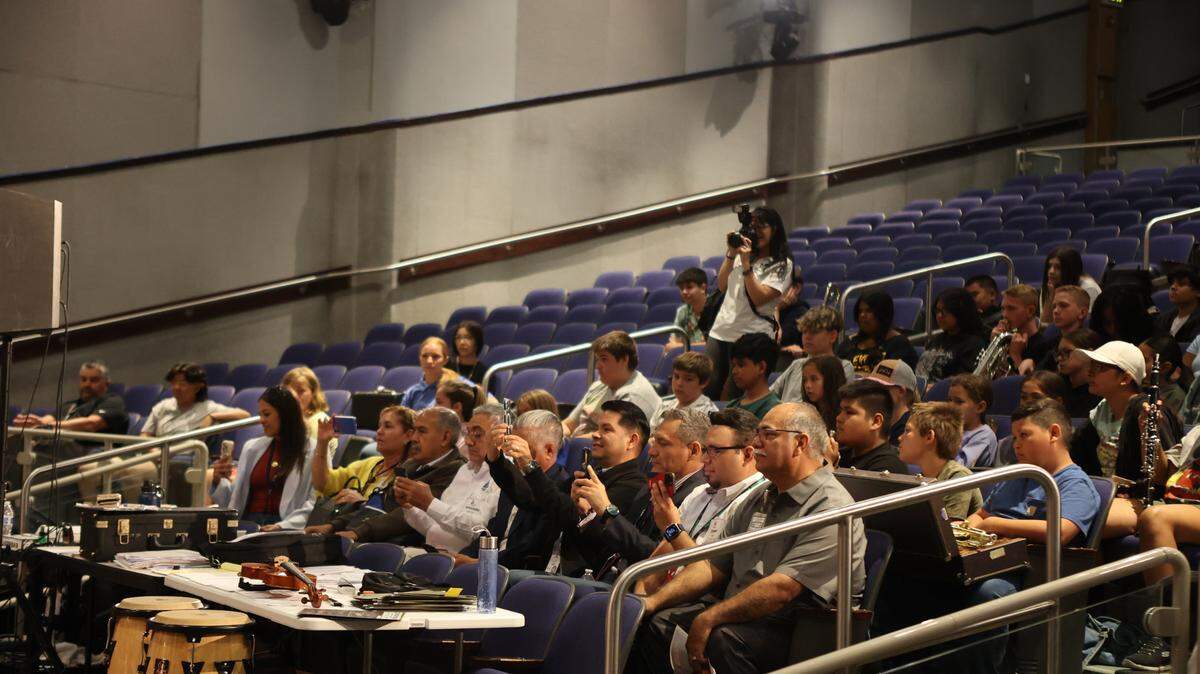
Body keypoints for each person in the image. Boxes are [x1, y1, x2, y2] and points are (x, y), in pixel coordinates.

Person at [627, 402, 866, 674]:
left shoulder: (832, 506)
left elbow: (782, 589)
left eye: (768, 434)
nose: (756, 442)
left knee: (723, 638)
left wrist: (709, 618)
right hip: (743, 615)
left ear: (799, 444)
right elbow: (709, 566)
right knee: (655, 623)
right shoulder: (761, 496)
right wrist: (651, 603)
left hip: (800, 630)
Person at [959, 398, 1101, 672]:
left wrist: (995, 525)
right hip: (988, 560)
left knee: (990, 593)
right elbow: (983, 515)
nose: (1016, 445)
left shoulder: (1075, 484)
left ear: (1054, 433)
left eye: (1024, 435)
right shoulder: (1019, 475)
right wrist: (967, 527)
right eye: (1014, 437)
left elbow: (1060, 532)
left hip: (1032, 574)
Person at [637, 408, 766, 595]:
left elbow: (707, 576)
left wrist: (672, 528)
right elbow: (651, 570)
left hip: (698, 604)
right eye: (706, 450)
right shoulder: (699, 492)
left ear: (747, 454)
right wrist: (638, 602)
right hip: (661, 601)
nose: (704, 459)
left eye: (715, 451)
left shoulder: (756, 502)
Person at [570, 408, 710, 577]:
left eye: (663, 443)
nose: (651, 452)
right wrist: (590, 511)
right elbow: (618, 543)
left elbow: (657, 558)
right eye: (654, 442)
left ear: (693, 450)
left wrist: (607, 510)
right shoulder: (654, 483)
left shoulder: (700, 496)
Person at [521, 400, 650, 576]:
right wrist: (496, 461)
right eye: (597, 428)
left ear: (632, 440)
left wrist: (530, 466)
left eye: (606, 429)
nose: (596, 434)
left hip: (583, 579)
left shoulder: (634, 485)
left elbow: (588, 534)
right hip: (546, 567)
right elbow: (537, 501)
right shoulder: (591, 473)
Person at [1070, 341, 1183, 538]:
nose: (1090, 373)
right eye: (1091, 367)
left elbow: (1162, 478)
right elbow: (1076, 457)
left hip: (1142, 500)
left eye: (1100, 368)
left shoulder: (1149, 411)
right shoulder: (1101, 411)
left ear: (1125, 378)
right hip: (1107, 494)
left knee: (1084, 522)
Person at [119, 363, 250, 500]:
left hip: (186, 459)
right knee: (129, 470)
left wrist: (213, 416)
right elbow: (145, 434)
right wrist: (155, 452)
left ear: (198, 387)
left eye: (182, 383)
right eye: (174, 383)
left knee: (177, 468)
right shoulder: (163, 406)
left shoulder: (208, 407)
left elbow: (245, 415)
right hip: (157, 457)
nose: (176, 388)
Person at [338, 407, 466, 544]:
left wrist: (357, 533)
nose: (414, 438)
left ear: (445, 438)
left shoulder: (456, 470)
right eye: (415, 430)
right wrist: (334, 525)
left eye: (422, 431)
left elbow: (404, 516)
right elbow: (380, 506)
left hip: (405, 548)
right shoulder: (410, 464)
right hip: (374, 539)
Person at [705, 207, 793, 400]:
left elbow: (759, 298)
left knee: (733, 398)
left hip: (751, 336)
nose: (756, 232)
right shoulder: (740, 254)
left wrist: (746, 265)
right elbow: (721, 285)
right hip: (721, 330)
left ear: (775, 229)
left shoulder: (782, 264)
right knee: (706, 390)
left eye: (762, 227)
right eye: (752, 227)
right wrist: (731, 253)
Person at [392, 408, 500, 555]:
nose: (468, 441)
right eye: (468, 433)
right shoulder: (465, 470)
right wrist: (410, 507)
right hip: (432, 553)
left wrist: (430, 503)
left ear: (500, 437)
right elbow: (435, 526)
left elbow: (481, 532)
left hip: (464, 561)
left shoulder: (503, 479)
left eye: (478, 434)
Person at [210, 386, 318, 530]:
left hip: (286, 527)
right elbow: (234, 500)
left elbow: (315, 502)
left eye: (266, 414)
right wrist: (219, 480)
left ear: (285, 414)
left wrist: (281, 526)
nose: (261, 420)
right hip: (247, 525)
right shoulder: (251, 448)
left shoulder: (314, 449)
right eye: (260, 414)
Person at [477, 408, 570, 570]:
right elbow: (493, 531)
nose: (515, 457)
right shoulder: (514, 478)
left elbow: (530, 548)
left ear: (549, 450)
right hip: (491, 563)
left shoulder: (561, 490)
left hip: (519, 574)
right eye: (513, 449)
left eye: (522, 450)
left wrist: (481, 563)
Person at [304, 406, 416, 535]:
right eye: (379, 426)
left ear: (408, 435)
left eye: (388, 426)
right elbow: (322, 484)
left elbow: (396, 518)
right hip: (339, 531)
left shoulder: (411, 474)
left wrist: (361, 503)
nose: (379, 431)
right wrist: (322, 443)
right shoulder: (369, 463)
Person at [11, 361, 129, 462]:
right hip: (63, 453)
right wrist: (34, 423)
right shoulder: (70, 405)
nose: (87, 384)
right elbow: (48, 420)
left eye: (94, 380)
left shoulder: (113, 401)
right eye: (84, 379)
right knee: (16, 443)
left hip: (93, 453)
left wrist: (47, 426)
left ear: (106, 384)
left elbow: (90, 424)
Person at [562, 331, 661, 437]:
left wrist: (570, 443)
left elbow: (611, 438)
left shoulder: (634, 395)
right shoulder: (599, 386)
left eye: (604, 359)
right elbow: (569, 424)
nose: (598, 366)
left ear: (624, 360)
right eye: (598, 360)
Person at [897, 402, 982, 519]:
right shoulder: (921, 479)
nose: (900, 437)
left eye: (907, 431)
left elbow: (948, 532)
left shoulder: (958, 477)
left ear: (929, 437)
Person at [769, 306, 855, 402]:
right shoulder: (796, 364)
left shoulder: (844, 367)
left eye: (814, 331)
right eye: (804, 331)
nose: (807, 337)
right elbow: (769, 396)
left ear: (832, 336)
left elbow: (837, 405)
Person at [994, 371, 1068, 467]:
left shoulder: (1068, 443)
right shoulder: (1006, 445)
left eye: (1036, 397)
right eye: (1024, 397)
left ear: (1058, 402)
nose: (1028, 403)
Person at [915, 288, 987, 388]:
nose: (939, 316)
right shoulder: (937, 340)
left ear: (960, 313)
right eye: (937, 311)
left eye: (944, 312)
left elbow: (962, 383)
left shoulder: (973, 344)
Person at [835, 380, 909, 474]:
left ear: (876, 421)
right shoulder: (841, 454)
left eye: (849, 412)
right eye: (841, 411)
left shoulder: (888, 467)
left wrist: (830, 466)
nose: (839, 418)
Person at [837, 291, 918, 374]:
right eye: (860, 311)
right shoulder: (850, 343)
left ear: (882, 314)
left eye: (868, 311)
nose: (862, 315)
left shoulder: (899, 344)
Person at [994, 284, 1055, 376]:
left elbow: (1029, 386)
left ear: (1030, 311)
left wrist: (1015, 355)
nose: (1004, 315)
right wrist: (994, 344)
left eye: (1011, 308)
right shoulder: (1005, 340)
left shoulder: (1044, 346)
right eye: (1003, 309)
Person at [650, 351, 719, 429]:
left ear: (704, 383)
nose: (679, 383)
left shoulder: (708, 414)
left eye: (688, 379)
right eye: (676, 376)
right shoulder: (665, 405)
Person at [862, 359, 920, 448]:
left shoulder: (909, 430)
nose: (871, 392)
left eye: (880, 387)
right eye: (871, 385)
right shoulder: (875, 420)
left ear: (901, 391)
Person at [725, 333, 782, 420]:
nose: (734, 371)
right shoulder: (731, 406)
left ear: (761, 367)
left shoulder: (774, 410)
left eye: (741, 365)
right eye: (734, 365)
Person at [947, 373, 998, 468]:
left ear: (980, 407)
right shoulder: (950, 429)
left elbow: (959, 469)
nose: (950, 406)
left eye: (959, 402)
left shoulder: (984, 435)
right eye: (949, 400)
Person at [1033, 286, 1090, 369]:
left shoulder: (1089, 346)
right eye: (1054, 306)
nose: (1055, 311)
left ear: (1082, 313)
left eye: (1063, 305)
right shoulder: (1050, 344)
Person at [401, 337, 464, 410]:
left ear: (445, 360)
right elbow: (402, 420)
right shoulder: (412, 392)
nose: (429, 361)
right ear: (419, 358)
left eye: (435, 356)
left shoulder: (455, 388)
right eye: (424, 356)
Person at [1040, 246, 1100, 321]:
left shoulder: (1089, 288)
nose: (1051, 271)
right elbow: (1044, 324)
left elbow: (1087, 324)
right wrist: (1050, 298)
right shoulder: (1050, 286)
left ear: (1070, 270)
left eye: (1058, 267)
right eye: (1049, 266)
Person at [1056, 328, 1103, 417]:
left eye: (1067, 352)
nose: (1059, 358)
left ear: (1088, 353)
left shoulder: (1099, 392)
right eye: (1059, 353)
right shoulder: (1057, 385)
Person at [1139, 336, 1191, 417]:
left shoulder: (1176, 397)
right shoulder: (1138, 387)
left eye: (1144, 360)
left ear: (1164, 367)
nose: (1138, 364)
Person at [280, 366, 334, 440]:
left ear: (313, 392)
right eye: (290, 391)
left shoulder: (320, 421)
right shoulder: (287, 420)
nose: (294, 396)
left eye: (301, 391)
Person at [1090, 288, 1155, 346]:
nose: (1112, 330)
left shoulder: (1151, 344)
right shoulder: (1097, 346)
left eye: (1118, 323)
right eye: (1107, 323)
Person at [800, 355, 846, 433]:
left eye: (814, 379)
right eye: (805, 380)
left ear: (831, 380)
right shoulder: (805, 412)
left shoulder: (843, 414)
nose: (807, 385)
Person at [1156, 262, 1200, 343]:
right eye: (1172, 283)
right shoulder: (1164, 319)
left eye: (1181, 284)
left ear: (1198, 291)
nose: (1173, 287)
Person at [666, 267, 709, 350]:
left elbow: (714, 345)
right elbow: (671, 345)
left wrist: (683, 346)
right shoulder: (682, 311)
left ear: (703, 288)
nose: (684, 292)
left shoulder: (716, 308)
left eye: (689, 287)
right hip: (689, 360)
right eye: (681, 288)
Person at [776, 266, 810, 366]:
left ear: (796, 288)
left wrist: (776, 309)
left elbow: (775, 341)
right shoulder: (769, 309)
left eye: (780, 284)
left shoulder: (802, 314)